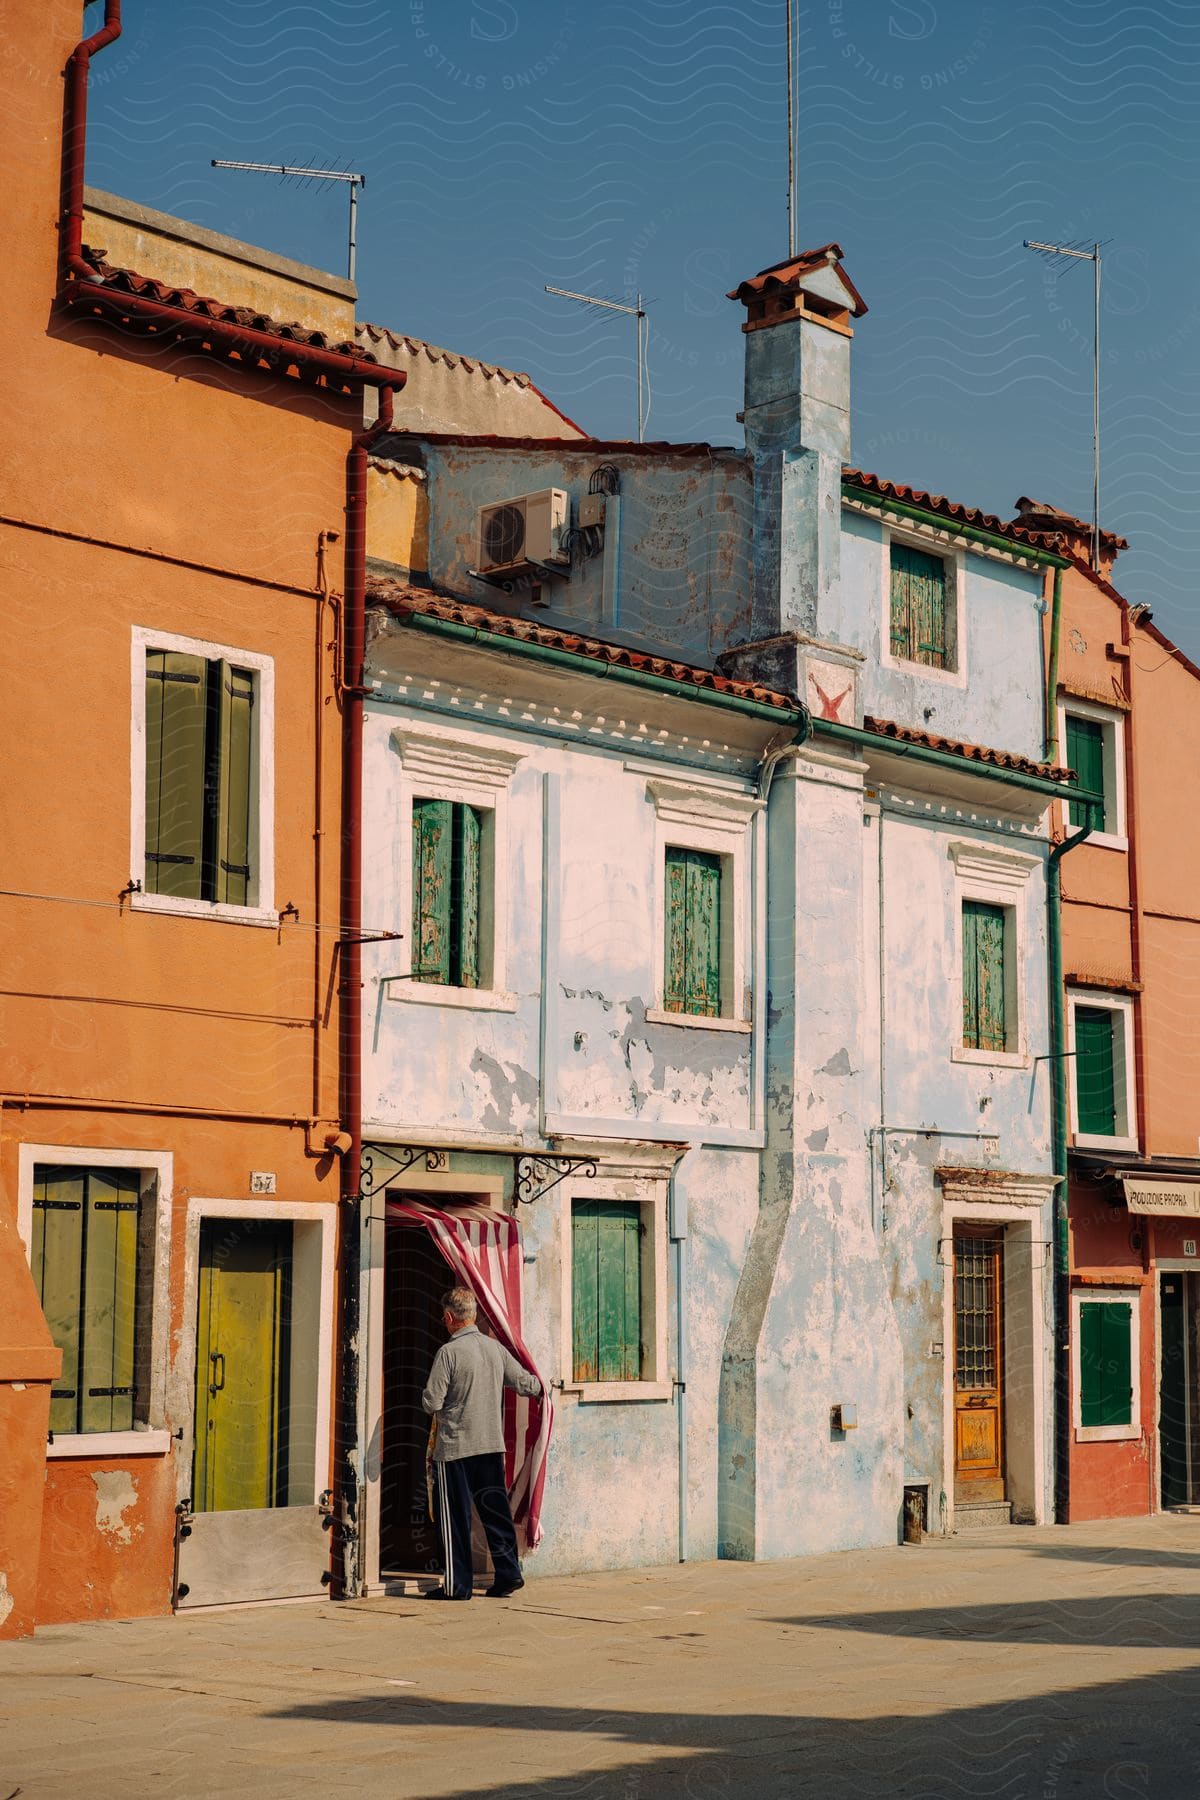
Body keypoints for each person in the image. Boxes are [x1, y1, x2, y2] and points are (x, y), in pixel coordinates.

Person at [421, 1284, 542, 1600]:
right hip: (491, 1447)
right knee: (495, 1514)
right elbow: (527, 1384)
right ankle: (509, 1574)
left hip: (455, 1451)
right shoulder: (495, 1349)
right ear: (472, 1316)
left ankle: (457, 1586)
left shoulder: (448, 1353)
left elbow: (432, 1403)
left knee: (455, 1520)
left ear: (449, 1317)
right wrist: (546, 1389)